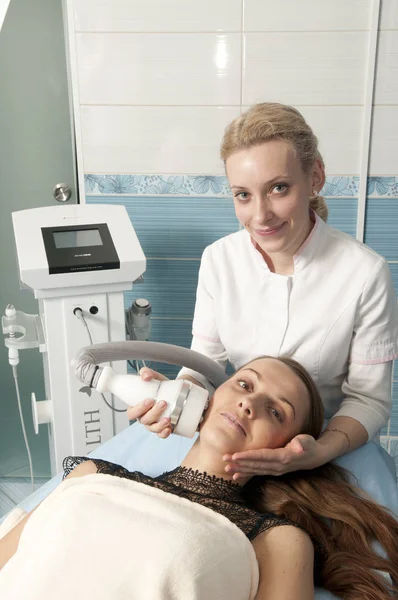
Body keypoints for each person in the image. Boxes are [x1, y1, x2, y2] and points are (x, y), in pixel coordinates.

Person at [128, 102, 398, 481]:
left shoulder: (365, 273)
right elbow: (204, 364)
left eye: (278, 188)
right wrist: (175, 399)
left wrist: (318, 452)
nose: (260, 216)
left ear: (316, 175)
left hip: (325, 450)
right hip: (238, 438)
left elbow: (369, 400)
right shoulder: (219, 259)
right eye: (243, 195)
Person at [0, 356, 397, 600]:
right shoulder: (91, 473)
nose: (248, 403)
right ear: (207, 396)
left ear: (287, 449)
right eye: (244, 384)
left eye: (276, 411)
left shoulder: (277, 541)